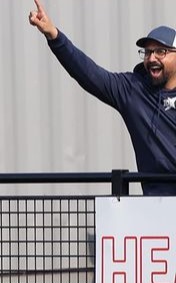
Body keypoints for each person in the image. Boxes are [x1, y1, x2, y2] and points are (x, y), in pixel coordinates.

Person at [29, 0, 176, 195]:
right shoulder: (132, 90)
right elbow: (89, 74)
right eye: (147, 52)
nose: (151, 58)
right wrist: (53, 35)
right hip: (156, 205)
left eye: (161, 51)